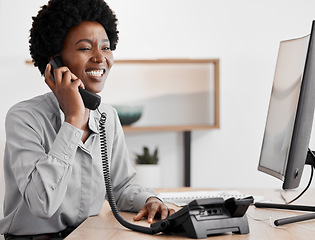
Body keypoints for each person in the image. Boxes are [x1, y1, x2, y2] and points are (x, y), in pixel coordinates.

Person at [0, 0, 174, 239]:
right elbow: (41, 204)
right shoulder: (24, 118)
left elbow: (121, 186)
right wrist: (73, 119)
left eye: (106, 47)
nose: (100, 58)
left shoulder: (107, 117)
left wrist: (150, 199)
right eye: (84, 48)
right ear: (54, 63)